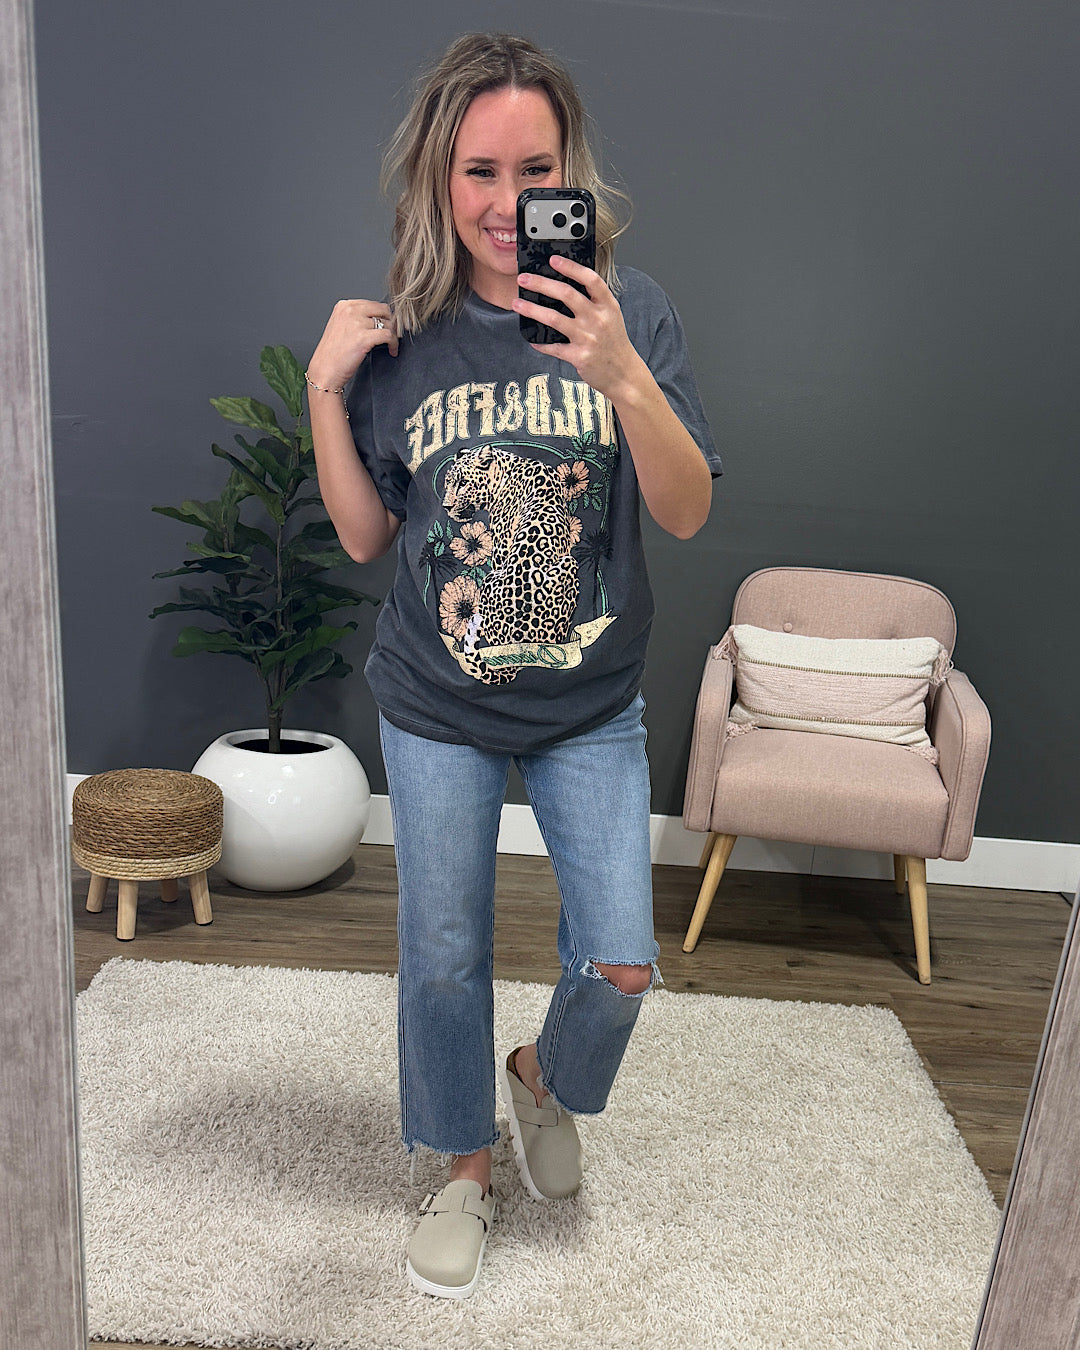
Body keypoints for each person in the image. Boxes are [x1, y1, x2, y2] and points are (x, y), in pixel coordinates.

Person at [307, 32, 721, 1300]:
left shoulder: (634, 313)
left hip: (589, 703)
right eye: (477, 171)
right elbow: (367, 536)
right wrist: (325, 393)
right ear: (439, 178)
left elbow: (688, 510)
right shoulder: (408, 337)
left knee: (624, 963)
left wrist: (623, 375)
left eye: (532, 170)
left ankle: (542, 1077)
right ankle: (463, 1167)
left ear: (570, 175)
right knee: (444, 954)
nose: (504, 202)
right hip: (437, 701)